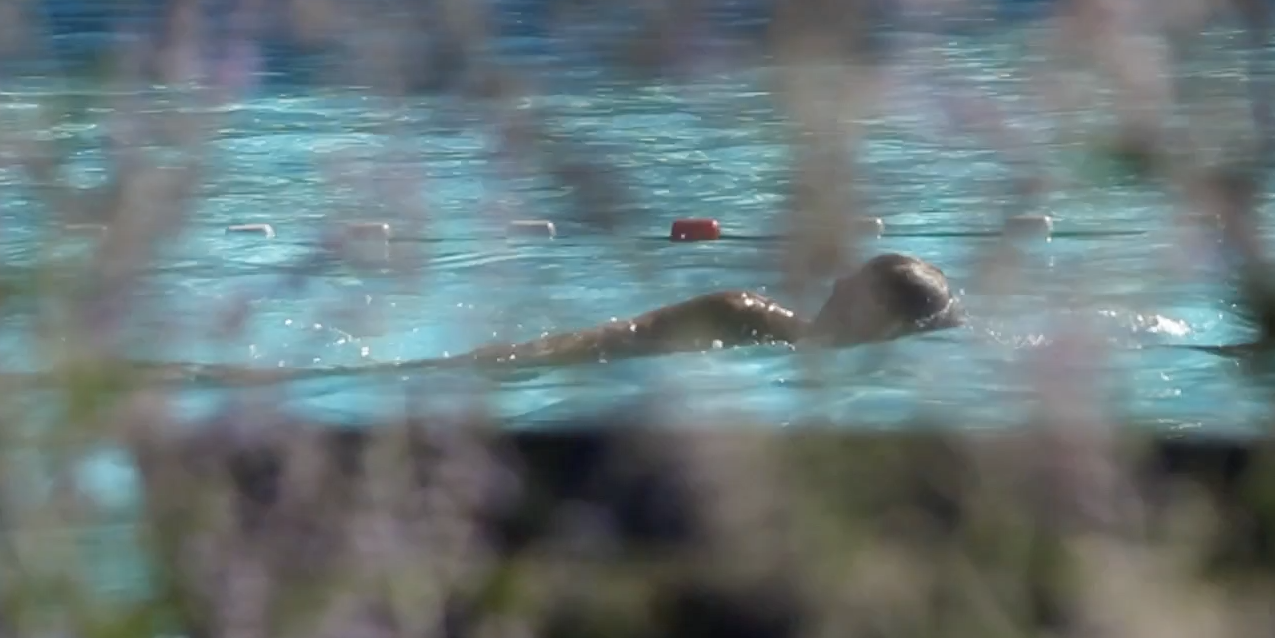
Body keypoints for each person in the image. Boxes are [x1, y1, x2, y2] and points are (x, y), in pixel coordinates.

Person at [150, 253, 966, 385]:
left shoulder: (773, 339)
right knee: (348, 378)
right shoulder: (745, 316)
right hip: (533, 365)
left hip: (545, 367)